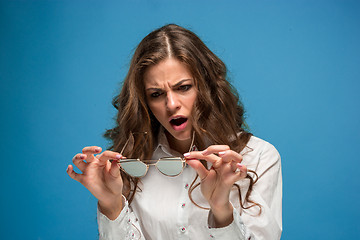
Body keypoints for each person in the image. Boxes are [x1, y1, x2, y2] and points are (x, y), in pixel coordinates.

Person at [66, 24, 282, 240]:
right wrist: (111, 205)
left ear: (206, 86)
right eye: (156, 93)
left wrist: (221, 210)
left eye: (183, 87)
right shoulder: (130, 163)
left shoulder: (259, 157)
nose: (171, 104)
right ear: (145, 101)